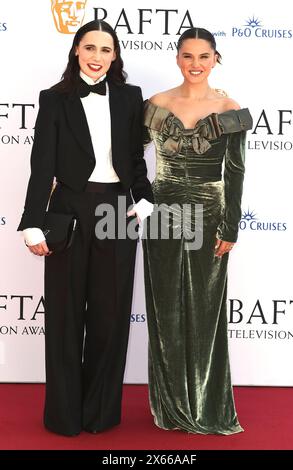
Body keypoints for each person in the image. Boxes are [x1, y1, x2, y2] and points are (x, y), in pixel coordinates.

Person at [18, 19, 153, 436]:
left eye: (105, 50)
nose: (97, 57)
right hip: (68, 211)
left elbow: (133, 158)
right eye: (90, 48)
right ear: (76, 50)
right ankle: (63, 417)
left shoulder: (131, 97)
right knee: (64, 317)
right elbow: (42, 165)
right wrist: (31, 223)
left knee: (111, 318)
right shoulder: (54, 99)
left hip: (118, 209)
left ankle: (99, 414)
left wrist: (145, 196)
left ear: (115, 56)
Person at [143, 27, 252, 434]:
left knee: (206, 311)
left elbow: (236, 173)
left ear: (215, 59)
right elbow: (130, 158)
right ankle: (170, 407)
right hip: (163, 212)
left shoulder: (230, 107)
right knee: (165, 308)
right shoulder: (155, 104)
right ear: (177, 58)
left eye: (203, 56)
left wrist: (232, 226)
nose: (195, 64)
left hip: (210, 216)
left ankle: (207, 403)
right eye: (188, 56)